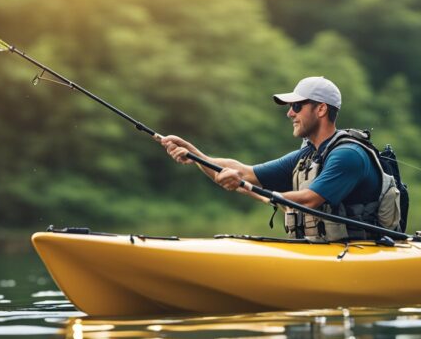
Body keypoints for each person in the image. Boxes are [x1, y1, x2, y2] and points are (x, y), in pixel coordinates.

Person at [160, 76, 390, 241]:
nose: (290, 113)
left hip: (362, 250)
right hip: (323, 250)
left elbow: (310, 200)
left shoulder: (348, 155)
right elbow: (244, 172)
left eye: (297, 106)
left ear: (321, 109)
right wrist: (196, 155)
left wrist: (246, 186)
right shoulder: (307, 155)